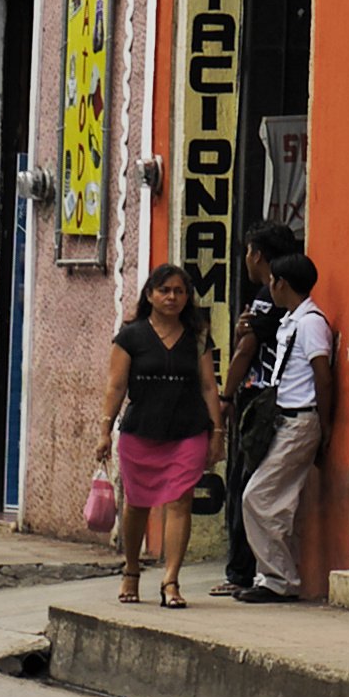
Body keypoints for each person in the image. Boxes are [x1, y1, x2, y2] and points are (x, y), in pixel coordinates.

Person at [101, 264, 216, 608]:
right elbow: (116, 385)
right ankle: (132, 571)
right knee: (137, 504)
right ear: (150, 294)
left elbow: (209, 386)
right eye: (164, 290)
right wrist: (104, 431)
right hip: (141, 431)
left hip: (188, 429)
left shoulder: (197, 337)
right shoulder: (130, 336)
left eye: (179, 291)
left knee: (180, 500)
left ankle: (171, 581)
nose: (172, 297)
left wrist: (218, 432)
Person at [234, 252, 334, 604]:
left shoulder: (310, 324)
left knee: (257, 497)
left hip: (300, 420)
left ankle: (278, 579)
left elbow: (322, 375)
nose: (269, 287)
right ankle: (277, 576)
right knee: (276, 502)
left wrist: (325, 427)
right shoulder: (292, 320)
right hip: (285, 419)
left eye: (273, 280)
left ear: (282, 283)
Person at [218, 222, 298, 593]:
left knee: (243, 485)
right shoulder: (284, 298)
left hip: (260, 399)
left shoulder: (268, 294)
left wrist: (225, 396)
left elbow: (246, 351)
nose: (247, 260)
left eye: (248, 252)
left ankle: (240, 572)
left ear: (258, 255)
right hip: (282, 399)